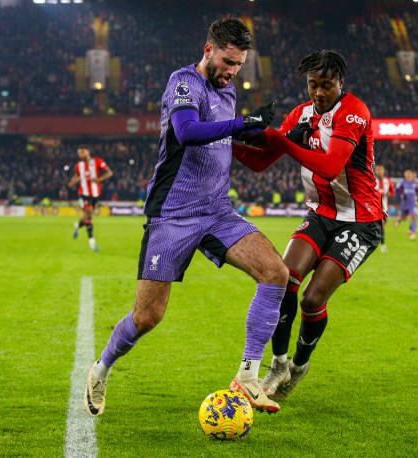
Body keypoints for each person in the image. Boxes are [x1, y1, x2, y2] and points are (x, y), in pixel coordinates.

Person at [84, 18, 288, 417]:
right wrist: (241, 124)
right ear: (208, 49)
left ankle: (247, 377)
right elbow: (188, 131)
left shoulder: (227, 93)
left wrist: (269, 135)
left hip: (217, 211)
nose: (232, 72)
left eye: (239, 65)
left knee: (275, 273)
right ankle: (101, 367)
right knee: (147, 317)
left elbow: (226, 139)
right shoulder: (184, 82)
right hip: (173, 214)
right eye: (228, 61)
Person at [233, 50, 384, 401]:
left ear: (340, 84)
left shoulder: (354, 113)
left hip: (360, 220)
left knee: (313, 299)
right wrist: (226, 142)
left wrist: (284, 141)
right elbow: (261, 162)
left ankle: (299, 365)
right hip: (320, 213)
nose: (318, 92)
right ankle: (279, 364)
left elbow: (331, 168)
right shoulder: (300, 114)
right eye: (313, 85)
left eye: (326, 86)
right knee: (284, 279)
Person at [67, 145, 113, 252]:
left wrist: (99, 179)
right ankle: (92, 242)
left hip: (95, 194)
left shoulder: (97, 161)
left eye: (82, 152)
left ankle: (77, 226)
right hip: (83, 194)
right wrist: (72, 182)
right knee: (88, 215)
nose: (80, 155)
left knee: (87, 216)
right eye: (79, 153)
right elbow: (77, 176)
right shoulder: (78, 165)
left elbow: (109, 173)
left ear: (87, 152)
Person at [396, 170, 418, 239]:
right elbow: (397, 191)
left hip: (412, 203)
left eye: (410, 174)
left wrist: (416, 198)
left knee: (413, 217)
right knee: (404, 217)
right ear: (405, 175)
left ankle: (413, 233)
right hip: (405, 202)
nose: (409, 176)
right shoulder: (402, 182)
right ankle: (398, 220)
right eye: (407, 174)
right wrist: (401, 195)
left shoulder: (415, 183)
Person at [376, 165, 394, 251]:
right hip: (375, 207)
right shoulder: (373, 180)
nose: (379, 172)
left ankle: (377, 241)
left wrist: (385, 194)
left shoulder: (388, 181)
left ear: (383, 171)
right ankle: (382, 245)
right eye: (378, 170)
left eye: (381, 170)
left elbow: (392, 193)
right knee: (381, 225)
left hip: (384, 207)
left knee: (380, 226)